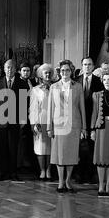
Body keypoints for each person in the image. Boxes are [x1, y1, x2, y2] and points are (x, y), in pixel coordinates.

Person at [47, 60, 87, 194]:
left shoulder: (78, 86)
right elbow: (50, 107)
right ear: (59, 72)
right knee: (60, 154)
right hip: (58, 125)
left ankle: (68, 181)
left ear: (71, 71)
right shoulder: (54, 86)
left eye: (67, 70)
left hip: (74, 124)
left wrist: (84, 128)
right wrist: (49, 127)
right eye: (62, 70)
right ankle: (60, 182)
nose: (65, 73)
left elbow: (82, 108)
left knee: (71, 154)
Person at [0, 59, 28, 181]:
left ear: (16, 69)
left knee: (14, 148)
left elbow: (24, 103)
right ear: (4, 69)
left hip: (16, 121)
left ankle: (13, 172)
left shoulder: (22, 83)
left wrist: (23, 120)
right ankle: (2, 172)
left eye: (12, 67)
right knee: (2, 148)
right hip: (1, 121)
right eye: (7, 67)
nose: (9, 70)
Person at [76, 57, 103, 184]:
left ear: (93, 66)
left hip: (92, 119)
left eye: (89, 64)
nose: (87, 66)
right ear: (82, 66)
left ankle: (91, 175)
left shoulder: (98, 82)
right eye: (84, 64)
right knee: (79, 149)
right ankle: (79, 175)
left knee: (92, 149)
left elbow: (100, 104)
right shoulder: (76, 81)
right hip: (78, 120)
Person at [29, 64, 53, 181]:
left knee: (50, 147)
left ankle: (48, 169)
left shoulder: (55, 87)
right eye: (45, 73)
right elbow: (33, 108)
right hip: (40, 120)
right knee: (40, 147)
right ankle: (42, 170)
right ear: (41, 75)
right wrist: (34, 123)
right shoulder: (35, 90)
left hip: (52, 121)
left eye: (49, 72)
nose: (47, 75)